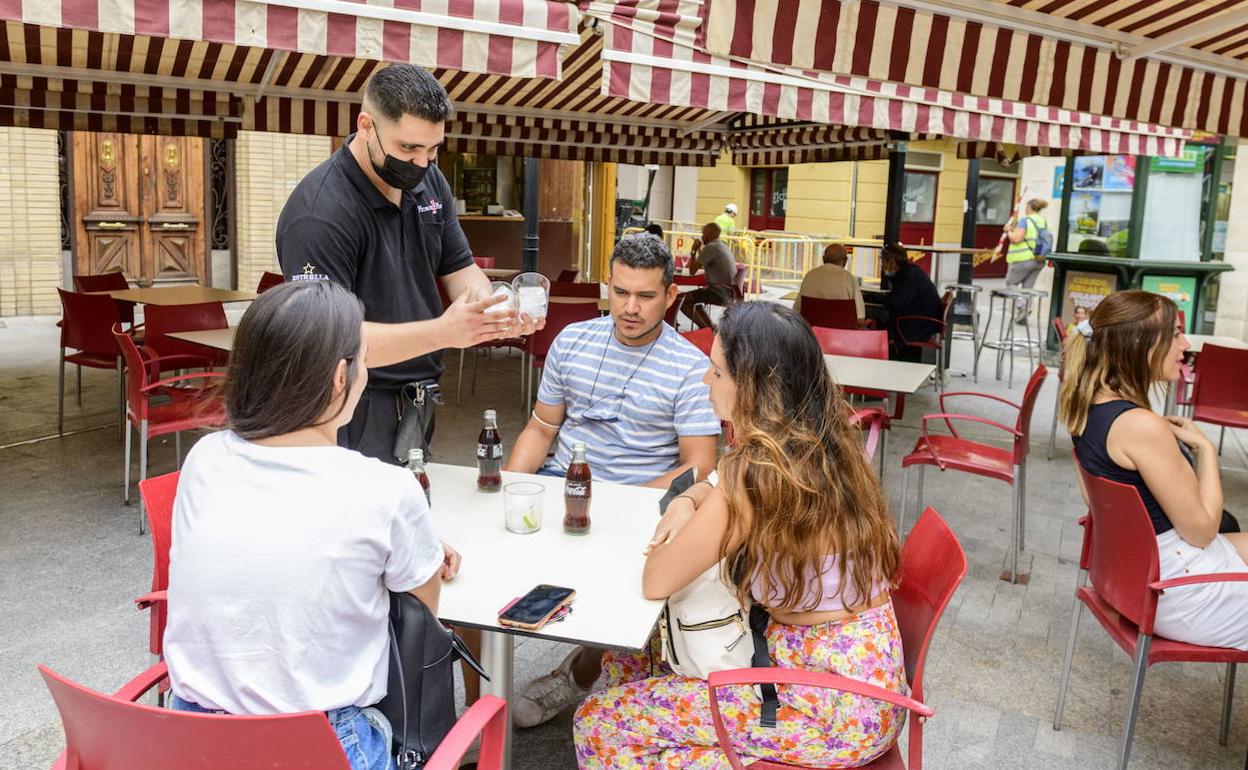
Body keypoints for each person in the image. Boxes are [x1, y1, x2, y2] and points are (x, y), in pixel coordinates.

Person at [573, 301, 906, 767]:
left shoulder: (758, 473)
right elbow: (717, 482)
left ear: (755, 387)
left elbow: (656, 579)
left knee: (599, 722)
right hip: (862, 680)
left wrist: (692, 514)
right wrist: (691, 499)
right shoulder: (818, 439)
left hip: (827, 706)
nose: (706, 383)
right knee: (633, 658)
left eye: (717, 373)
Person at [163, 281, 462, 770]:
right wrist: (404, 544)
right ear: (342, 376)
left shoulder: (205, 459)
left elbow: (271, 540)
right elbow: (418, 615)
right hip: (322, 743)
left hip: (191, 737)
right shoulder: (385, 490)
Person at [503, 234, 721, 728]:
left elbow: (700, 464)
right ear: (608, 287)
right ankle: (482, 700)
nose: (630, 307)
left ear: (670, 296)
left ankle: (578, 672)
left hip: (641, 505)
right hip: (561, 486)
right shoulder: (572, 340)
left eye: (646, 296)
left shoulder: (689, 367)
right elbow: (541, 429)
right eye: (621, 292)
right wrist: (507, 491)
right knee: (474, 566)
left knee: (631, 589)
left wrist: (617, 505)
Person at [276, 63, 537, 465]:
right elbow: (331, 343)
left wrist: (495, 308)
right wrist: (444, 332)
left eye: (433, 149)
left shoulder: (429, 181)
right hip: (348, 407)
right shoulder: (320, 214)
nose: (421, 163)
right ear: (366, 126)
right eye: (408, 149)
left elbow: (460, 268)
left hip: (418, 397)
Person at [1060, 290, 1248, 651]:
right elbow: (1203, 532)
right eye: (1175, 334)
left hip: (1136, 576)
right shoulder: (1141, 426)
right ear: (1141, 345)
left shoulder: (1088, 409)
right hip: (1180, 591)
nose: (1186, 343)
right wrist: (1206, 452)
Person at [880, 243, 943, 362]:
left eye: (883, 262)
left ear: (892, 262)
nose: (882, 266)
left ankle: (882, 363)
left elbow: (896, 303)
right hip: (923, 322)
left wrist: (882, 299)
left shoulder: (910, 276)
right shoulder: (909, 272)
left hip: (919, 325)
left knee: (878, 328)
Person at [682, 221, 738, 329]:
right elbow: (705, 262)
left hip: (718, 293)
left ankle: (705, 329)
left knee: (683, 300)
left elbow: (692, 271)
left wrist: (693, 250)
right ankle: (710, 327)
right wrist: (699, 250)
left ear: (710, 234)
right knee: (695, 303)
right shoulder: (721, 245)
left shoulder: (711, 247)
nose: (702, 237)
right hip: (729, 291)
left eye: (703, 234)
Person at [1004, 198, 1050, 324]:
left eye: (1026, 206)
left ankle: (1022, 307)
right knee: (1027, 287)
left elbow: (1017, 239)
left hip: (1023, 259)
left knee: (1011, 283)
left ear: (1029, 207)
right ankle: (1024, 315)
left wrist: (1008, 231)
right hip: (1039, 259)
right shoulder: (1043, 221)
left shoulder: (1025, 220)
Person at [794, 242, 865, 320]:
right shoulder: (849, 279)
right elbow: (860, 318)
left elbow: (796, 311)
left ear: (823, 259)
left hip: (811, 329)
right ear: (845, 261)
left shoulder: (809, 275)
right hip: (841, 331)